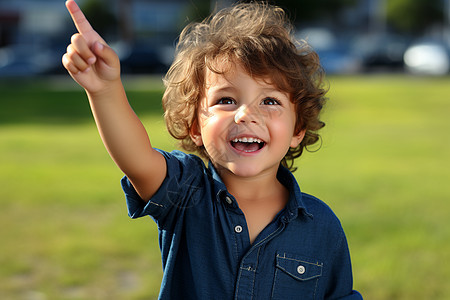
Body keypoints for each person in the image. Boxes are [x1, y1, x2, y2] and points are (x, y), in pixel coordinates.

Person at [62, 0, 362, 299]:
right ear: (195, 128)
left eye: (270, 101)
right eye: (226, 100)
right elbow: (137, 160)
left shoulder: (322, 225)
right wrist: (104, 91)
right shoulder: (186, 192)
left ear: (298, 130)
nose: (246, 114)